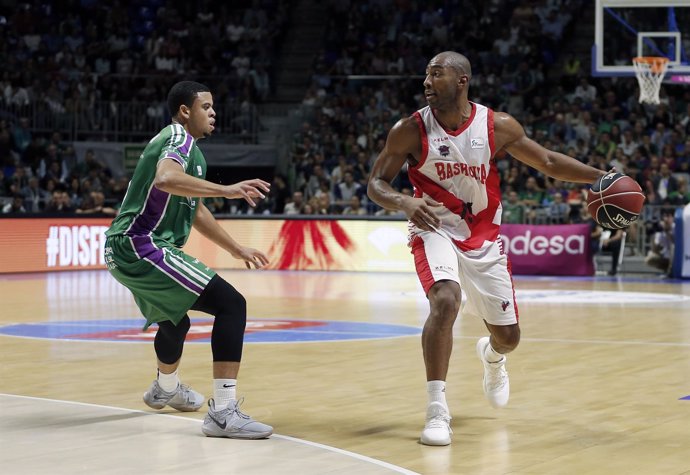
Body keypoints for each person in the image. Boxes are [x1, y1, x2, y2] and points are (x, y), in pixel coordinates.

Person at [367, 52, 607, 446]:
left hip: (483, 238)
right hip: (433, 227)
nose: (427, 83)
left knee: (509, 337)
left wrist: (604, 176)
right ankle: (436, 410)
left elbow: (546, 161)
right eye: (425, 75)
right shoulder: (409, 130)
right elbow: (376, 183)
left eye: (436, 75)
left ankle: (493, 356)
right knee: (446, 300)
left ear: (462, 81)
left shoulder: (497, 126)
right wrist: (404, 202)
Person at [104, 81, 273, 440]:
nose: (214, 113)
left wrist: (235, 248)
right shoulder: (178, 138)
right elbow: (166, 179)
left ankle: (166, 387)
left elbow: (195, 212)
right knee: (231, 305)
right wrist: (227, 189)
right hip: (141, 243)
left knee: (175, 324)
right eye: (206, 107)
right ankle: (224, 413)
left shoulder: (191, 153)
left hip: (123, 249)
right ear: (185, 110)